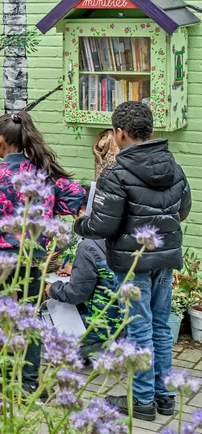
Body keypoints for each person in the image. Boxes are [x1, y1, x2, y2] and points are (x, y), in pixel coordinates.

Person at [0, 111, 85, 392]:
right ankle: (30, 383)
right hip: (34, 257)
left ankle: (2, 380)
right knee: (29, 316)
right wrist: (49, 211)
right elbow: (75, 194)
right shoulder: (43, 172)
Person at [76, 101, 191, 421]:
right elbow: (181, 211)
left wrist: (80, 222)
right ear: (152, 132)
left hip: (132, 264)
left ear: (119, 134)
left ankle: (141, 401)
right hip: (165, 261)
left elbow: (102, 226)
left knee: (139, 329)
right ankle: (164, 396)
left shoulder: (116, 173)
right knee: (159, 327)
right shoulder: (175, 166)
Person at [45, 235, 123, 366]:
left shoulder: (89, 245)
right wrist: (76, 270)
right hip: (123, 331)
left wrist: (53, 289)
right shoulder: (128, 239)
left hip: (94, 335)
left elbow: (76, 294)